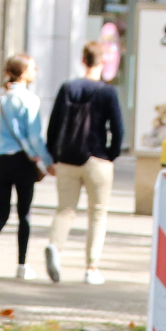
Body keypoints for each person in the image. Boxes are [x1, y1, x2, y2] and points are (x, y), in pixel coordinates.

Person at [42, 39, 123, 285]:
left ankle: (55, 246)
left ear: (83, 60)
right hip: (97, 159)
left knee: (65, 210)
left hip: (67, 160)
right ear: (103, 62)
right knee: (97, 214)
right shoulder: (108, 92)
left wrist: (53, 157)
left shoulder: (68, 87)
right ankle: (91, 267)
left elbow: (54, 126)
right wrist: (111, 154)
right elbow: (118, 129)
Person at [0, 54, 51, 279]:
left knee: (0, 214)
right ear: (24, 72)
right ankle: (22, 265)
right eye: (33, 68)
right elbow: (35, 137)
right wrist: (46, 161)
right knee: (24, 214)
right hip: (23, 161)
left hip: (1, 160)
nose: (36, 72)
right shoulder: (30, 99)